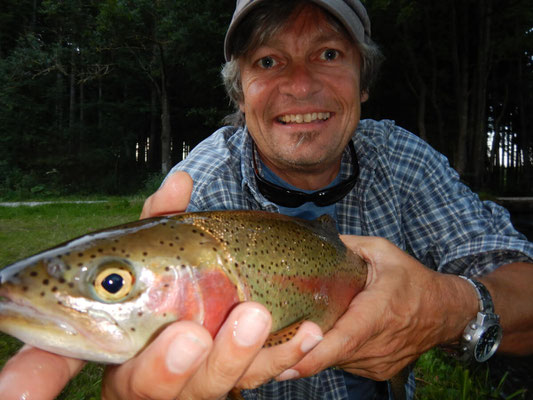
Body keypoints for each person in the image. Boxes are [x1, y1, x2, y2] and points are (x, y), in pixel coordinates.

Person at [1, 0, 532, 399]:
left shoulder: (403, 162)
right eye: (268, 60)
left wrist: (448, 309)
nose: (300, 86)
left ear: (363, 81)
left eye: (327, 53)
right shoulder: (196, 192)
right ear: (239, 93)